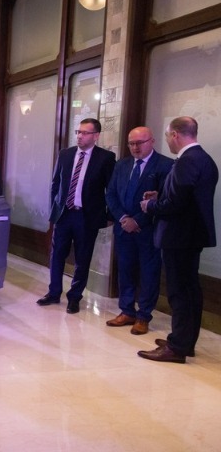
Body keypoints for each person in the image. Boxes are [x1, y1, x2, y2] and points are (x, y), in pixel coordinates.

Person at [138, 116, 218, 363]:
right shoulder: (204, 159)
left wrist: (150, 205)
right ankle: (185, 341)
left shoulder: (187, 160)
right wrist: (161, 195)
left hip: (179, 236)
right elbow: (186, 196)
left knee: (179, 292)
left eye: (167, 136)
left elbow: (176, 204)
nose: (168, 142)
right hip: (190, 235)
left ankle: (177, 347)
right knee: (190, 290)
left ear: (175, 134)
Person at [37, 118, 116, 314]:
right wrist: (54, 209)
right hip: (64, 214)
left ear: (96, 136)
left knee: (83, 257)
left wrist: (109, 215)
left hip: (87, 217)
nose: (79, 136)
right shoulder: (65, 154)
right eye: (78, 132)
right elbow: (56, 184)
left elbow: (111, 189)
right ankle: (54, 292)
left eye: (85, 133)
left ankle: (74, 297)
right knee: (57, 254)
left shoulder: (106, 158)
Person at [105, 126, 173, 335]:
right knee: (125, 269)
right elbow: (111, 194)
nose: (135, 147)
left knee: (148, 273)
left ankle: (143, 316)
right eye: (131, 143)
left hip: (148, 230)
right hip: (123, 228)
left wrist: (138, 220)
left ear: (151, 141)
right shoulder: (122, 165)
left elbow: (164, 199)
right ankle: (127, 311)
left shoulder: (166, 165)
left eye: (139, 143)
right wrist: (123, 218)